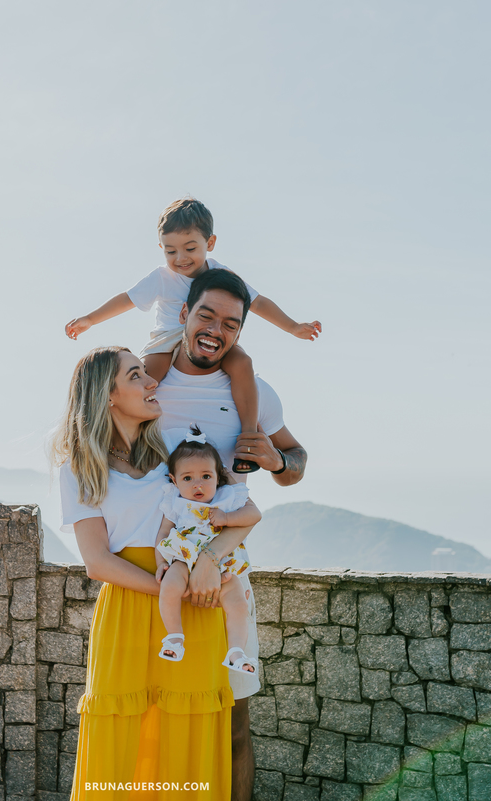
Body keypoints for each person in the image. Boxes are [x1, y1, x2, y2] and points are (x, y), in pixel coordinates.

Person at [53, 345, 260, 799]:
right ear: (106, 396)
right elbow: (97, 561)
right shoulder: (79, 469)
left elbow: (238, 512)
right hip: (133, 604)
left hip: (200, 599)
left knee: (189, 727)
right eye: (136, 376)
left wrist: (206, 565)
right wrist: (172, 588)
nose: (151, 383)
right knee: (124, 738)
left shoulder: (177, 445)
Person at [153, 267, 309, 801]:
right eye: (206, 315)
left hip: (226, 567)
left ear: (240, 332)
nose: (216, 330)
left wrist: (277, 458)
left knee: (233, 716)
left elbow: (296, 464)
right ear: (183, 315)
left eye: (231, 324)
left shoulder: (255, 394)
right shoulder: (146, 383)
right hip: (161, 569)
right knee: (158, 719)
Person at [63, 196, 321, 473]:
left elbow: (257, 302)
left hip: (214, 344)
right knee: (143, 383)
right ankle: (110, 441)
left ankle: (248, 439)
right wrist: (90, 319)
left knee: (243, 364)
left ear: (209, 244)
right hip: (165, 341)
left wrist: (293, 327)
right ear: (161, 247)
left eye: (190, 248)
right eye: (170, 251)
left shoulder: (223, 276)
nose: (180, 258)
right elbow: (126, 299)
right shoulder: (161, 278)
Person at [155, 427, 260, 674]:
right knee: (169, 586)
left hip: (222, 563)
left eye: (206, 476)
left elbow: (254, 515)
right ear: (174, 480)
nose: (197, 484)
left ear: (218, 477)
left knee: (237, 603)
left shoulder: (227, 498)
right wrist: (160, 562)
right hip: (183, 558)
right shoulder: (175, 501)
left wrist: (228, 517)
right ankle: (174, 636)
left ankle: (236, 651)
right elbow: (162, 534)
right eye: (188, 478)